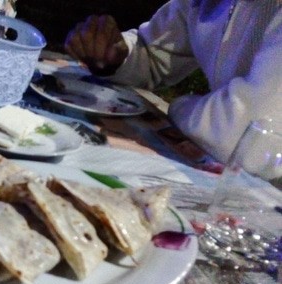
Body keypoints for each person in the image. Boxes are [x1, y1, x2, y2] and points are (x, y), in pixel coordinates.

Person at [64, 0, 282, 163]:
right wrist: (117, 57)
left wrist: (178, 107)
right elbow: (153, 53)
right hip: (227, 173)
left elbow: (244, 136)